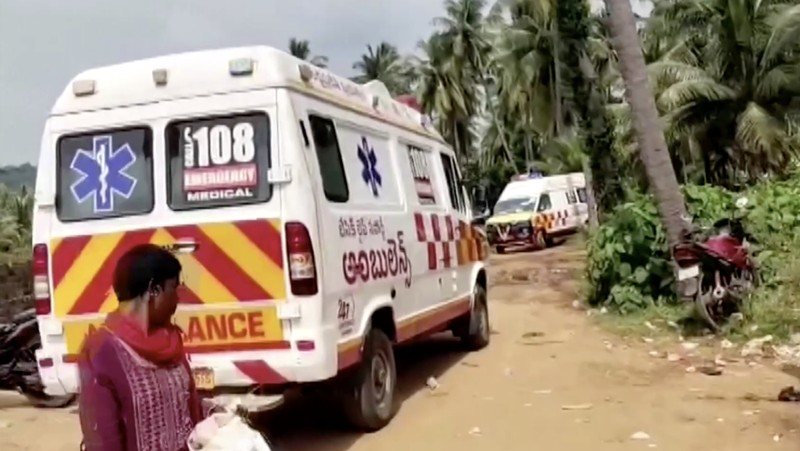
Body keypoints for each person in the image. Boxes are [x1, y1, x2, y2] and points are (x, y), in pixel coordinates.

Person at [79, 243, 202, 451]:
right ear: (154, 290)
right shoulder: (101, 352)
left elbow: (192, 414)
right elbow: (103, 441)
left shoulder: (170, 343)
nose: (178, 299)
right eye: (174, 288)